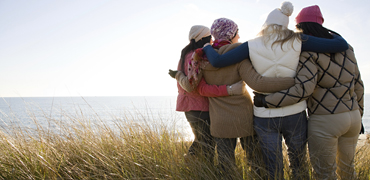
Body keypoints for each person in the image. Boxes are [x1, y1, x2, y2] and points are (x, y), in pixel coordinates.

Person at [201, 2, 349, 179]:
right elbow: (340, 45)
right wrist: (333, 33)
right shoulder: (298, 40)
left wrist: (207, 46)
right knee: (299, 163)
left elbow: (218, 62)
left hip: (265, 115)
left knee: (273, 166)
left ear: (266, 23)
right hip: (295, 111)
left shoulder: (251, 45)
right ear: (285, 25)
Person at [171, 18, 298, 179]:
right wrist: (292, 81)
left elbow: (199, 88)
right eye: (237, 33)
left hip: (219, 120)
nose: (238, 37)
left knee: (226, 166)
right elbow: (258, 83)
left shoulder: (202, 59)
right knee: (255, 162)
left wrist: (178, 76)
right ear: (231, 35)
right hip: (244, 117)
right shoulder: (239, 57)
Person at [254, 5, 364, 180]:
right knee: (348, 170)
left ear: (301, 27)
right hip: (353, 117)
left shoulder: (308, 52)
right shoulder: (347, 47)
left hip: (326, 119)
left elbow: (303, 89)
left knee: (324, 174)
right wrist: (360, 112)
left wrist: (267, 101)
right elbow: (358, 84)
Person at [172, 25, 247, 164]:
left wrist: (178, 75)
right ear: (204, 38)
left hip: (188, 108)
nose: (212, 40)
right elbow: (191, 85)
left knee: (201, 140)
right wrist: (229, 89)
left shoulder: (184, 55)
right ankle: (197, 169)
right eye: (209, 37)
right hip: (200, 107)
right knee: (207, 145)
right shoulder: (198, 56)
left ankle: (190, 166)